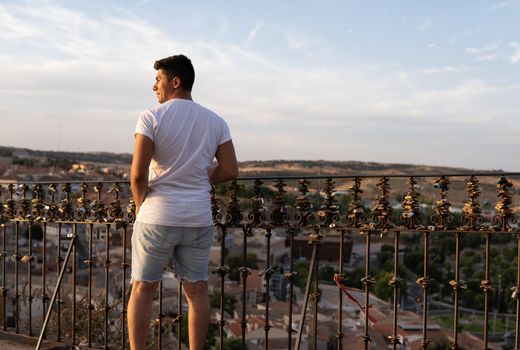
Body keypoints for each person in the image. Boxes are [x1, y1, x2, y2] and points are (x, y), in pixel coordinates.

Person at [128, 54, 238, 350]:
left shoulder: (151, 117)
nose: (154, 87)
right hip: (197, 218)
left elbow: (138, 175)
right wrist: (201, 179)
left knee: (142, 290)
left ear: (175, 82)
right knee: (197, 292)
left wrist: (141, 207)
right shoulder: (215, 121)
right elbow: (230, 170)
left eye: (158, 80)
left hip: (157, 215)